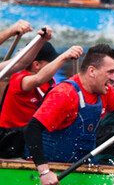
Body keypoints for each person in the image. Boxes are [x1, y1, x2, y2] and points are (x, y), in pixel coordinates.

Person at [23, 44, 114, 185]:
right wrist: (44, 172)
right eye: (110, 72)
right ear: (92, 71)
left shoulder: (106, 91)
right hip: (53, 170)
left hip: (83, 165)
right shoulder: (64, 94)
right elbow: (32, 129)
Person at [0, 29, 82, 157]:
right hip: (11, 138)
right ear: (36, 65)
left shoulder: (50, 81)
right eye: (52, 62)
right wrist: (63, 57)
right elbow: (37, 79)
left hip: (32, 134)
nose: (57, 66)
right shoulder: (19, 79)